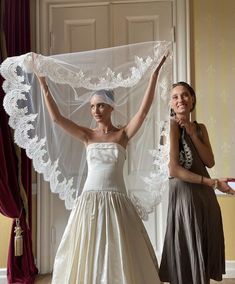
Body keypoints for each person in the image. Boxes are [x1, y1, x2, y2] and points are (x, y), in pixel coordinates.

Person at [35, 54, 168, 283]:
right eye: (93, 107)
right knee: (88, 250)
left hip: (117, 201)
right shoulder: (87, 136)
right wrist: (44, 84)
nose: (95, 111)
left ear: (111, 107)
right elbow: (57, 119)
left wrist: (153, 76)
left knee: (119, 253)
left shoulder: (123, 134)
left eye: (101, 106)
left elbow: (143, 113)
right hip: (90, 201)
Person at [159, 81, 235, 284]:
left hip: (204, 197)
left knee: (201, 251)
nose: (180, 99)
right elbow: (173, 169)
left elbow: (209, 161)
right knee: (186, 251)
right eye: (175, 96)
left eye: (185, 95)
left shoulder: (200, 128)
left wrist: (193, 132)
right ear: (171, 103)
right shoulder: (170, 126)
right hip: (185, 195)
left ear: (192, 99)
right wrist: (211, 182)